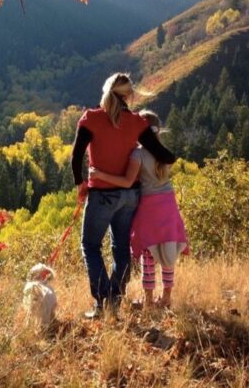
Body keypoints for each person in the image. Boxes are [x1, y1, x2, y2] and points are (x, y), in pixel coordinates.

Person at [71, 73, 176, 318]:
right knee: (121, 248)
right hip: (130, 196)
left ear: (105, 91)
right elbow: (166, 156)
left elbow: (76, 157)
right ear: (129, 95)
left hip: (101, 195)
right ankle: (116, 297)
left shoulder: (91, 118)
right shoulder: (137, 122)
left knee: (90, 245)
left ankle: (103, 302)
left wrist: (81, 185)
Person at [90, 110, 188, 309]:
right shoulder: (163, 152)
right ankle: (167, 297)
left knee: (148, 254)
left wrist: (100, 175)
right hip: (169, 204)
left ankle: (149, 300)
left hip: (149, 206)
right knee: (168, 250)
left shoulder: (138, 154)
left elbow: (127, 182)